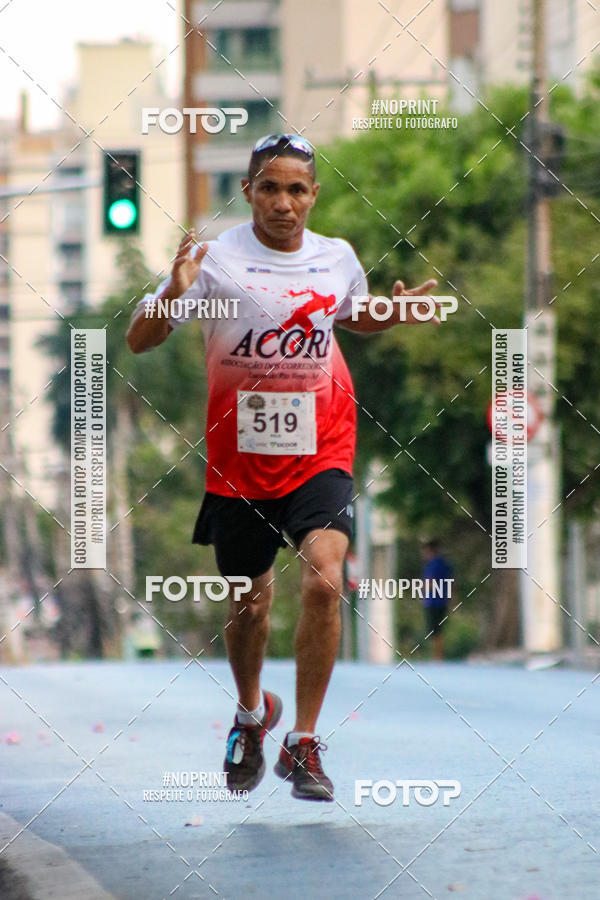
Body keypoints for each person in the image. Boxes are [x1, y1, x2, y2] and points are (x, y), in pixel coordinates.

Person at [126, 133, 438, 802]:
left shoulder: (337, 257)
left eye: (297, 189)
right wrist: (174, 293)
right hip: (239, 461)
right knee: (250, 604)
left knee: (325, 577)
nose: (283, 203)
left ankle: (304, 740)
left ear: (313, 195)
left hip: (321, 447)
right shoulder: (213, 260)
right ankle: (250, 715)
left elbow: (352, 315)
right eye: (269, 188)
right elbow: (140, 339)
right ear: (248, 192)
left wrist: (394, 312)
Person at [420, 538, 453, 660]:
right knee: (438, 630)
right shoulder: (445, 564)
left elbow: (429, 583)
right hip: (443, 601)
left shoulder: (433, 565)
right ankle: (438, 656)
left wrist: (421, 589)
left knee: (434, 631)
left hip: (433, 601)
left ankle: (437, 657)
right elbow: (452, 582)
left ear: (430, 551)